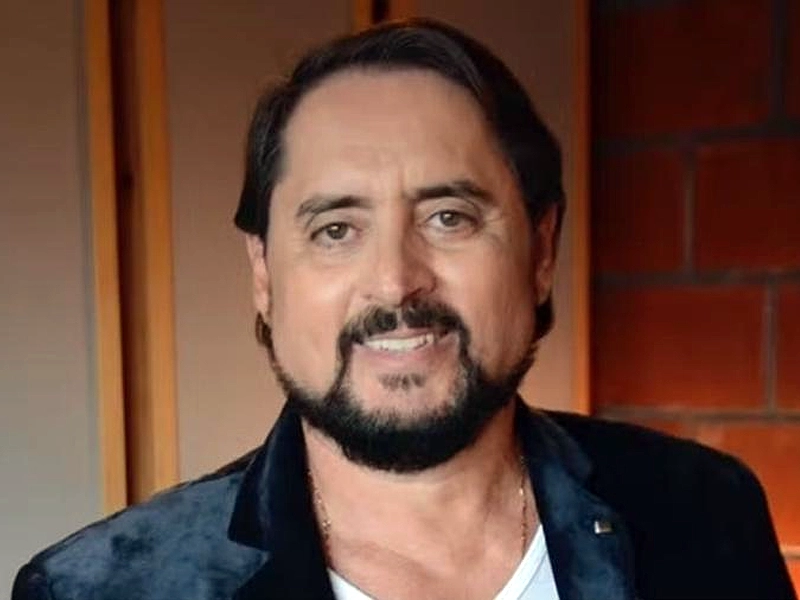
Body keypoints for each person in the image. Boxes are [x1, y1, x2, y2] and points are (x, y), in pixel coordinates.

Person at [13, 18, 795, 600]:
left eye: (449, 217)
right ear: (264, 274)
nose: (394, 283)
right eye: (336, 230)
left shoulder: (703, 513)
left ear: (541, 249)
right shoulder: (102, 589)